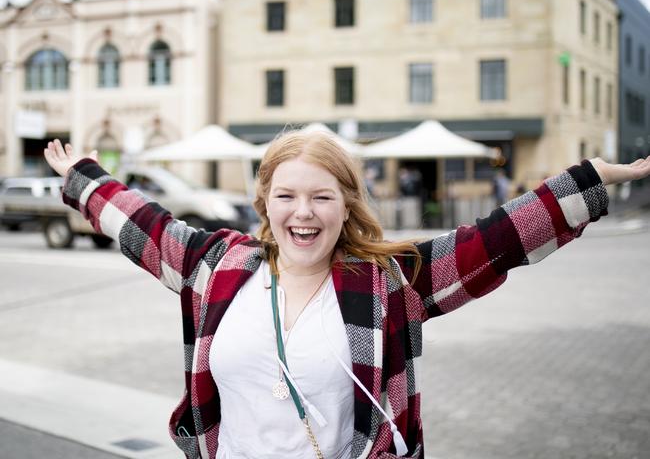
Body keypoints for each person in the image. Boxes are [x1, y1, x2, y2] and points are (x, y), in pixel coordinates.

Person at [44, 134, 650, 459]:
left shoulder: (384, 283)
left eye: (322, 197)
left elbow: (490, 243)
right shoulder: (218, 267)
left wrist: (586, 183)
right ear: (264, 203)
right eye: (286, 196)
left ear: (346, 206)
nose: (302, 213)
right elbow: (144, 224)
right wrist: (86, 179)